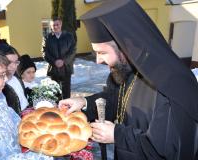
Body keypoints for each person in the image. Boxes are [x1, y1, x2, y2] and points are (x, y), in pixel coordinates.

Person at [59, 0, 198, 159]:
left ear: (126, 47)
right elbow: (115, 100)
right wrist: (84, 102)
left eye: (102, 53)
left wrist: (117, 135)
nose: (98, 60)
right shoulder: (125, 69)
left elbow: (166, 150)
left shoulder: (173, 83)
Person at [42, 17, 76, 99]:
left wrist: (63, 61)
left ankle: (67, 108)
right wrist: (54, 61)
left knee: (66, 91)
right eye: (53, 25)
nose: (55, 27)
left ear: (61, 24)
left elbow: (73, 51)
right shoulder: (47, 37)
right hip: (53, 69)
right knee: (55, 92)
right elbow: (44, 52)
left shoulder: (69, 36)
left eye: (57, 24)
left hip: (66, 68)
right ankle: (57, 109)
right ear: (51, 26)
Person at [0, 44, 29, 115]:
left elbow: (23, 100)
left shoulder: (16, 78)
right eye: (8, 62)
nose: (13, 66)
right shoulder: (0, 86)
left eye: (16, 62)